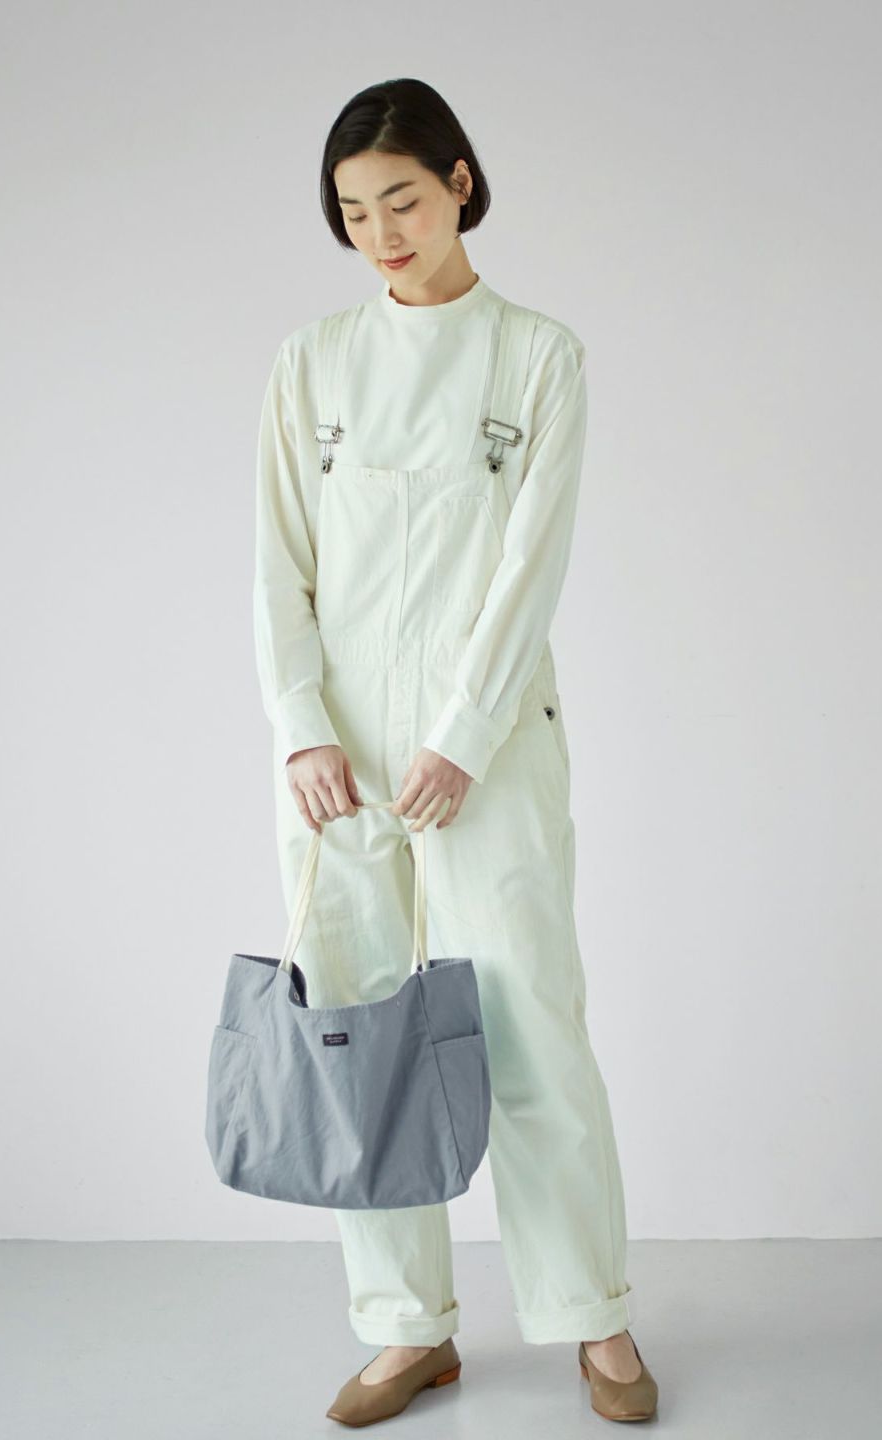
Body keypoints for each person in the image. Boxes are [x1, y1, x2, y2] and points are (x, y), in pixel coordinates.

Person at [252, 77, 660, 1426]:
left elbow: (532, 565)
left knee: (531, 1024)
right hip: (338, 763)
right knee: (359, 1030)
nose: (380, 233)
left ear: (461, 184)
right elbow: (277, 564)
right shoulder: (311, 363)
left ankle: (592, 1315)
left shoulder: (538, 358)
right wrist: (303, 727)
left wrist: (464, 736)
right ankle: (405, 1329)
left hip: (486, 747)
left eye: (404, 201)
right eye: (354, 211)